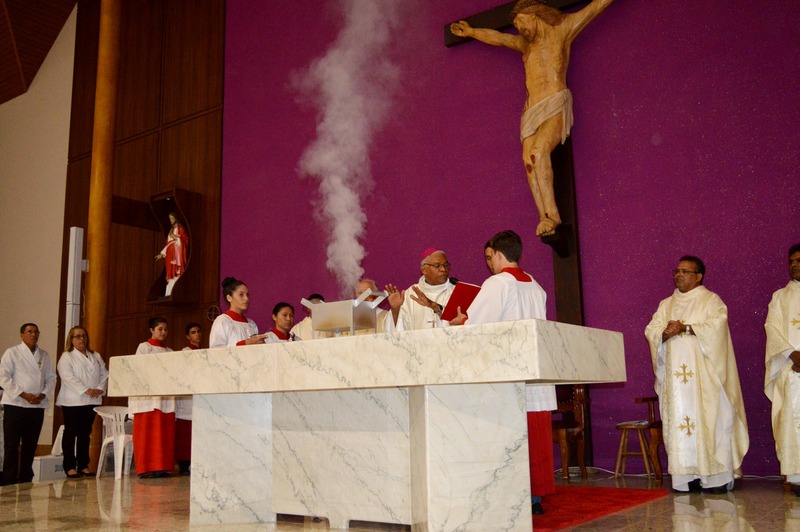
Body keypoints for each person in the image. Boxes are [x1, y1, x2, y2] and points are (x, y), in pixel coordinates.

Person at [450, 0, 615, 237]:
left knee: (538, 152)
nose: (520, 30)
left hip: (555, 102)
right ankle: (544, 216)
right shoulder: (525, 46)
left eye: (521, 23)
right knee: (528, 159)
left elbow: (595, 7)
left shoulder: (563, 29)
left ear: (534, 16)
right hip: (531, 112)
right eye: (516, 26)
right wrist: (472, 31)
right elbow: (498, 38)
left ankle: (553, 215)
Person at [452, 230, 554, 514]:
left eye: (491, 257)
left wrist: (460, 322)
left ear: (498, 254)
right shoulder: (536, 285)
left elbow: (479, 326)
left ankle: (514, 496)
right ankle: (534, 497)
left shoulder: (498, 283)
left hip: (508, 372)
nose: (490, 263)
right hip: (533, 371)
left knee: (511, 436)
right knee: (534, 435)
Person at [644, 256, 749, 493]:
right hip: (676, 384)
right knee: (680, 422)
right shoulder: (666, 304)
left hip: (706, 380)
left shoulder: (711, 301)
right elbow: (651, 330)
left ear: (698, 276)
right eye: (676, 271)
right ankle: (686, 476)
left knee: (711, 420)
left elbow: (717, 328)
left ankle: (715, 477)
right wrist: (664, 333)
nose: (678, 275)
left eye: (685, 271)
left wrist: (687, 328)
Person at [0, 323, 56, 485]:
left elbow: (51, 379)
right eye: (29, 332)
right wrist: (23, 394)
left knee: (30, 445)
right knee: (11, 445)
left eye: (36, 332)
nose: (33, 335)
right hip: (15, 404)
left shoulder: (44, 355)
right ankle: (8, 479)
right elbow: (4, 377)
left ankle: (26, 477)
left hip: (36, 406)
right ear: (22, 335)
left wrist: (42, 394)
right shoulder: (12, 353)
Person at [764, 243, 800, 494]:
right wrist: (793, 354)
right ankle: (797, 476)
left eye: (799, 260)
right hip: (792, 369)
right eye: (791, 261)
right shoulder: (780, 297)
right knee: (791, 422)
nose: (794, 265)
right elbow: (773, 329)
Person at [55, 326, 108, 479]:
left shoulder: (95, 355)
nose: (81, 339)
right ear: (71, 339)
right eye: (77, 336)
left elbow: (105, 374)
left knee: (85, 433)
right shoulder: (67, 356)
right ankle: (70, 467)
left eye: (84, 336)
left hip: (91, 400)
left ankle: (83, 465)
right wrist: (86, 390)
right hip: (73, 400)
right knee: (71, 433)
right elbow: (67, 376)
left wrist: (98, 388)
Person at [129, 317, 176, 478]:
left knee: (163, 433)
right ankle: (145, 468)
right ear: (152, 330)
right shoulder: (144, 347)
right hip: (148, 399)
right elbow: (139, 369)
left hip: (164, 398)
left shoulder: (170, 352)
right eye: (160, 329)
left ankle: (162, 467)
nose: (163, 332)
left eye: (165, 329)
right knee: (147, 434)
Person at [385, 247, 457, 331]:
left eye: (446, 265)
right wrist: (396, 310)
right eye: (437, 265)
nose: (443, 269)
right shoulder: (411, 295)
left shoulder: (457, 292)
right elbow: (397, 333)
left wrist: (437, 309)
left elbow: (465, 328)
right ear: (424, 270)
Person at [209, 277, 268, 348]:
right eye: (241, 295)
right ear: (229, 298)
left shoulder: (251, 324)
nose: (246, 299)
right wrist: (244, 343)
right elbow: (215, 350)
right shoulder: (222, 321)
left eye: (247, 295)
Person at [176, 322, 202, 476]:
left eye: (199, 332)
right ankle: (184, 464)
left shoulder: (205, 351)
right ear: (188, 336)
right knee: (185, 432)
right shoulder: (185, 352)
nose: (197, 335)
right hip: (187, 397)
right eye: (193, 332)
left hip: (199, 396)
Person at [155, 212, 189, 297]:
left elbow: (184, 240)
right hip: (170, 256)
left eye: (172, 219)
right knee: (171, 274)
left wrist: (177, 239)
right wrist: (162, 254)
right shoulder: (171, 230)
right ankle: (168, 293)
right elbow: (169, 244)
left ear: (176, 219)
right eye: (170, 219)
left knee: (177, 273)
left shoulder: (180, 229)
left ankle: (175, 291)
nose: (171, 221)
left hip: (177, 255)